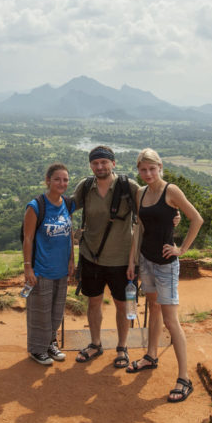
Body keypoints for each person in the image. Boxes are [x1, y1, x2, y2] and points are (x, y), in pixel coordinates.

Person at [126, 148, 204, 404]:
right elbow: (140, 227)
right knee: (153, 307)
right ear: (138, 170)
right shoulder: (141, 192)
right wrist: (132, 260)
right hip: (147, 260)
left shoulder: (171, 191)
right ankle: (151, 355)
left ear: (160, 167)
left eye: (152, 168)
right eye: (143, 169)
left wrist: (181, 249)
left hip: (166, 264)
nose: (148, 174)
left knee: (172, 320)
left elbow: (197, 219)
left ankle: (184, 378)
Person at [71, 145, 141, 368]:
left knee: (125, 306)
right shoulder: (86, 186)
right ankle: (95, 343)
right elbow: (65, 208)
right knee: (93, 302)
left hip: (122, 259)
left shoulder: (127, 187)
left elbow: (147, 212)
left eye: (104, 162)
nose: (99, 166)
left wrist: (174, 215)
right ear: (91, 165)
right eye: (95, 163)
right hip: (91, 257)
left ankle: (122, 346)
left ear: (113, 163)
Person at [22, 163, 76, 366]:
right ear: (48, 180)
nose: (62, 183)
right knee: (40, 311)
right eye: (57, 179)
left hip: (61, 268)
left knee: (56, 310)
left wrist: (71, 259)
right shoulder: (36, 206)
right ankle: (37, 349)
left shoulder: (67, 204)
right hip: (41, 268)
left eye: (65, 180)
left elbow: (70, 232)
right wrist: (28, 267)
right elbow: (27, 238)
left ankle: (50, 343)